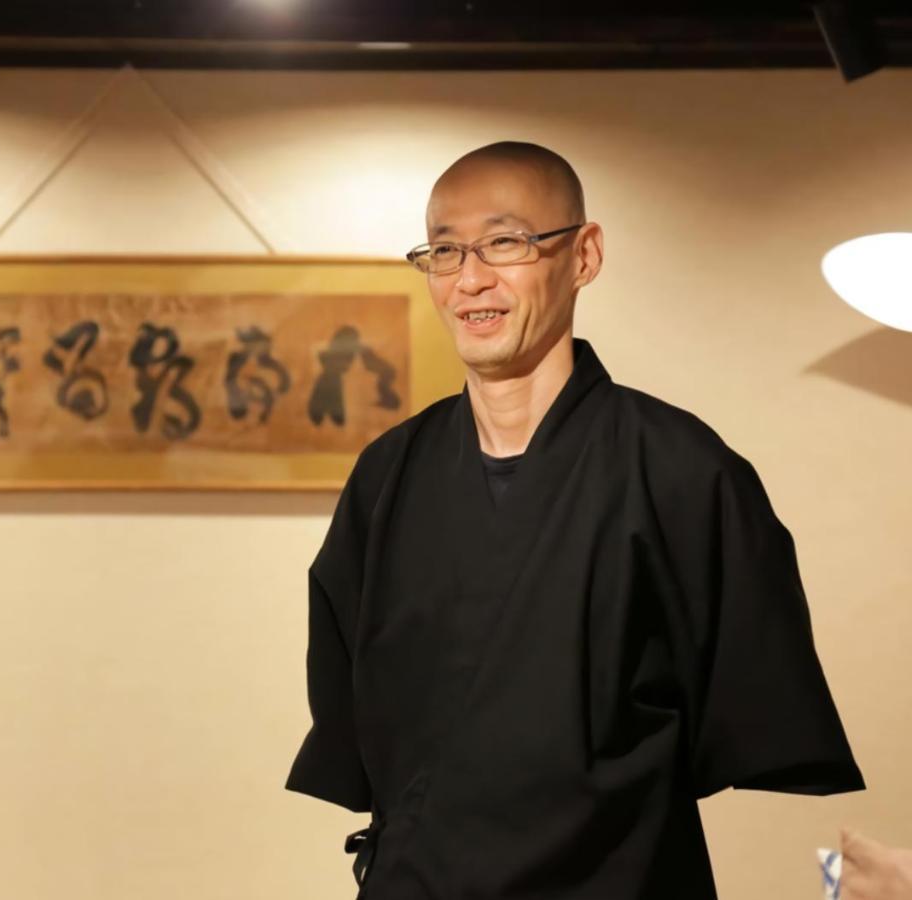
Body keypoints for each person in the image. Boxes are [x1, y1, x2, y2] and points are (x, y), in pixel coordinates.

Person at [284, 141, 864, 899]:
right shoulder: (389, 475)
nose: (470, 279)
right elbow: (353, 704)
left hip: (619, 880)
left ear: (584, 255)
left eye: (504, 242)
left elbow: (742, 696)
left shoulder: (681, 469)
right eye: (445, 250)